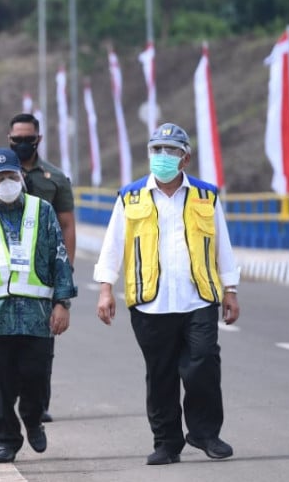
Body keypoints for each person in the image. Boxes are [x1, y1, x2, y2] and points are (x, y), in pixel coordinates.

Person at [93, 123, 240, 465]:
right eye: (156, 150)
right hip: (150, 303)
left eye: (170, 150)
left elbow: (223, 246)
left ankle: (205, 433)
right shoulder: (130, 197)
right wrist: (105, 290)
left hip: (198, 299)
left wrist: (230, 289)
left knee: (203, 364)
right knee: (160, 374)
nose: (162, 157)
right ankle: (167, 443)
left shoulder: (206, 196)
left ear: (185, 158)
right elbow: (113, 246)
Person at [0, 147, 76, 464]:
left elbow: (59, 258)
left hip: (37, 318)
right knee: (1, 382)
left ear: (21, 178)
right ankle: (6, 440)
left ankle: (32, 418)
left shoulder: (42, 211)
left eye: (11, 176)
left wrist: (63, 303)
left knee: (36, 377)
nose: (6, 182)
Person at [0, 112, 76, 423]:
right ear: (9, 140)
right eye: (18, 140)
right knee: (3, 356)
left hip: (41, 273)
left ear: (38, 140)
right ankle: (14, 412)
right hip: (1, 274)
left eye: (29, 140)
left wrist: (65, 269)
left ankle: (36, 406)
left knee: (42, 350)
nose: (23, 144)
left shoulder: (54, 177)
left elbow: (66, 224)